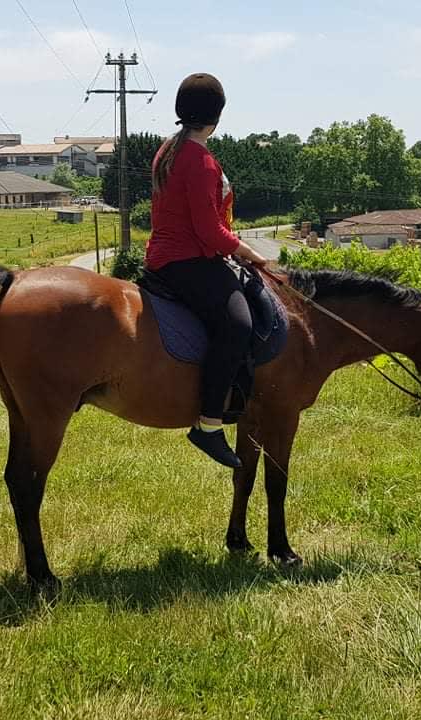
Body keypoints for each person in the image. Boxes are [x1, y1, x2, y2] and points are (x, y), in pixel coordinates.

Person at [146, 73, 268, 469]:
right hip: (190, 259)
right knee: (238, 325)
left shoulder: (168, 149)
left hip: (165, 257)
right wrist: (251, 253)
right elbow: (208, 231)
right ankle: (209, 424)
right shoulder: (200, 160)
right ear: (216, 115)